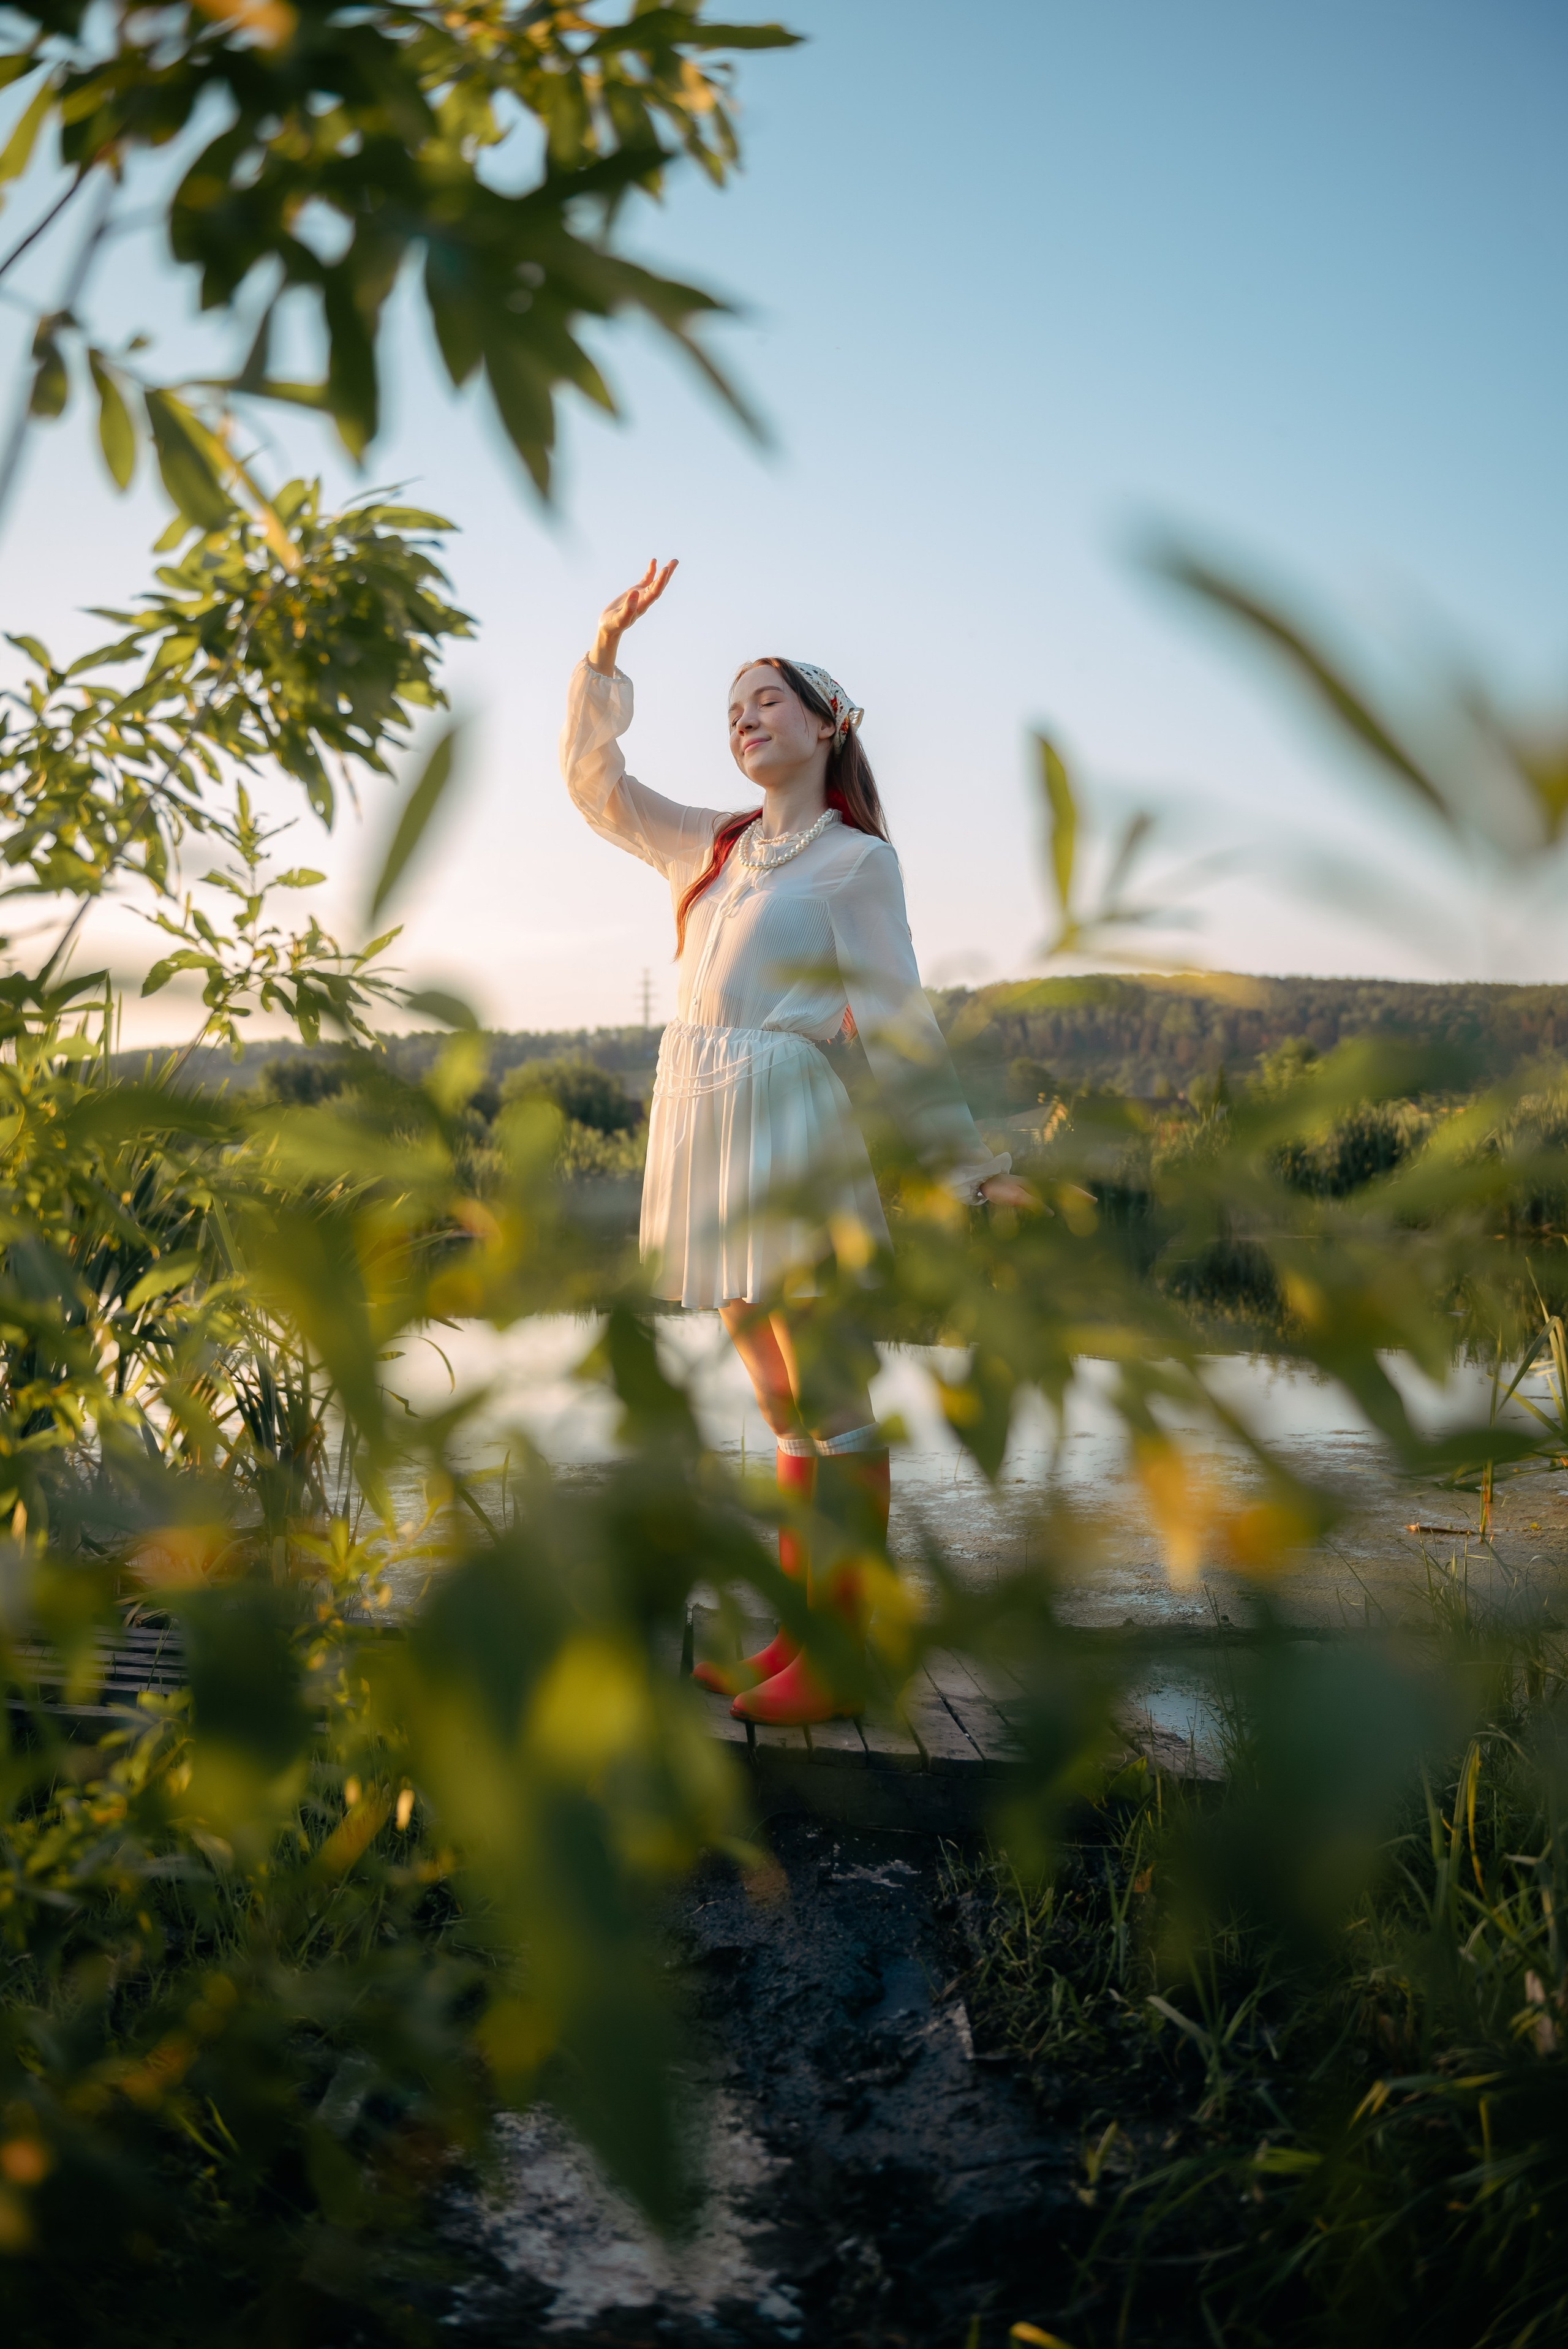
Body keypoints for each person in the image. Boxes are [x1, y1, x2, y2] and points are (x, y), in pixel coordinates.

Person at [560, 559, 1034, 1725]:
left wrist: (975, 1171)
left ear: (827, 724)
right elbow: (596, 789)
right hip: (705, 1122)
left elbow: (901, 1021)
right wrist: (605, 657)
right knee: (773, 1389)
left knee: (826, 1382)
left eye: (764, 698)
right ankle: (798, 1638)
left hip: (790, 1121)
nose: (742, 719)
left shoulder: (856, 863)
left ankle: (849, 1655)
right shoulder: (711, 851)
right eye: (730, 709)